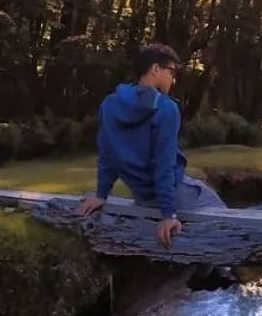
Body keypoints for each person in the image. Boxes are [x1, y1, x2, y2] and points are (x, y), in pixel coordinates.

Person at [76, 44, 226, 247]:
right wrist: (168, 214)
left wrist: (102, 194)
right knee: (221, 212)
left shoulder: (109, 104)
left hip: (142, 196)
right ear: (155, 69)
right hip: (171, 195)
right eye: (171, 72)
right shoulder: (166, 109)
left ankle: (208, 271)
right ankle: (222, 270)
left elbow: (107, 154)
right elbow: (163, 165)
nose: (173, 79)